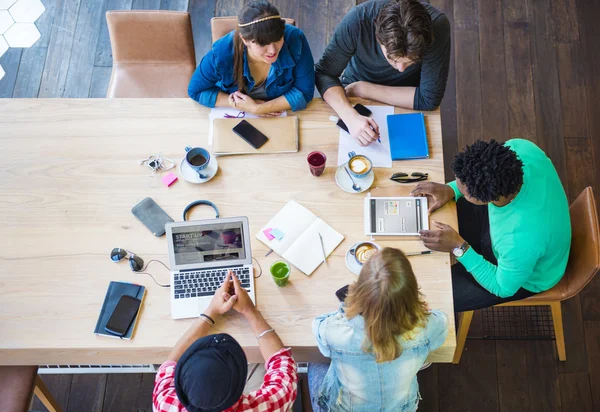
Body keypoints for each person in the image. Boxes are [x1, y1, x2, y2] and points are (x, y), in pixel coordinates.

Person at [411, 139, 571, 312]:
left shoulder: (520, 240)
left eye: (463, 190)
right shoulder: (520, 148)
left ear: (484, 199)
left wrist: (460, 248)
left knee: (432, 296)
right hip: (518, 235)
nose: (457, 187)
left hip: (522, 276)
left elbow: (502, 288)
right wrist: (451, 190)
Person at [309, 248, 448, 412]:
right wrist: (418, 311)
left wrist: (346, 309)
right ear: (412, 291)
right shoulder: (427, 326)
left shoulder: (335, 330)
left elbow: (318, 327)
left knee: (313, 361)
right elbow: (442, 321)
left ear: (359, 290)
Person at [152, 271, 297, 412]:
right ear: (241, 385)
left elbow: (170, 363)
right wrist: (249, 310)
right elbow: (281, 362)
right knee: (259, 365)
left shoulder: (166, 408)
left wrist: (211, 311)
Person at [315, 0, 450, 146]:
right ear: (378, 37)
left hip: (406, 94)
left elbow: (428, 99)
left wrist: (364, 89)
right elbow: (323, 73)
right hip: (352, 88)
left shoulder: (437, 26)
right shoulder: (358, 21)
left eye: (410, 62)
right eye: (393, 59)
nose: (401, 69)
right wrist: (350, 117)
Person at [188, 0, 315, 116]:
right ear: (245, 40)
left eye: (278, 39)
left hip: (279, 114)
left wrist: (258, 109)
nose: (272, 50)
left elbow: (304, 92)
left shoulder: (296, 38)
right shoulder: (221, 53)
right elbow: (196, 91)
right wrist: (238, 104)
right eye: (262, 43)